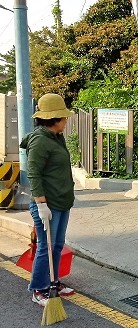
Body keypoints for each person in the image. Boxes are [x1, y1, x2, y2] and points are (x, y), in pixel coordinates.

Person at [20, 93, 76, 306]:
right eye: (64, 117)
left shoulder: (56, 137)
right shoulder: (40, 140)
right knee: (46, 246)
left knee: (58, 244)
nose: (66, 120)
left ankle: (53, 282)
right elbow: (33, 173)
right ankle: (38, 288)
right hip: (47, 203)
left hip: (62, 201)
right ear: (54, 119)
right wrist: (41, 204)